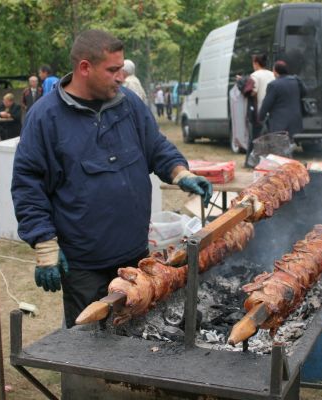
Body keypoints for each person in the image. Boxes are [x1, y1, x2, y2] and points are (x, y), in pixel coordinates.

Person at [11, 29, 212, 329]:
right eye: (113, 70)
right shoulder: (45, 118)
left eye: (121, 69)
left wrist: (180, 173)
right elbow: (28, 184)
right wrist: (43, 243)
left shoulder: (128, 104)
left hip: (133, 256)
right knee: (89, 341)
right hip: (84, 264)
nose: (121, 77)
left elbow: (155, 145)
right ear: (84, 68)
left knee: (136, 331)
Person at [258, 60, 305, 140]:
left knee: (279, 149)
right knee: (289, 145)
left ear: (276, 72)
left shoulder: (273, 85)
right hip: (295, 122)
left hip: (279, 124)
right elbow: (304, 93)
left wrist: (260, 117)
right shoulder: (295, 81)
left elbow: (266, 104)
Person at [245, 53, 275, 166]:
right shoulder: (272, 74)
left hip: (259, 112)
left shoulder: (254, 75)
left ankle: (252, 162)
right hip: (271, 112)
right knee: (269, 139)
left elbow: (253, 91)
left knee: (255, 138)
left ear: (256, 63)